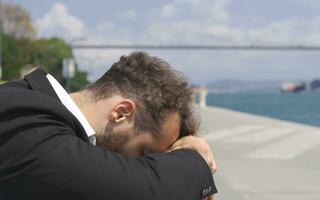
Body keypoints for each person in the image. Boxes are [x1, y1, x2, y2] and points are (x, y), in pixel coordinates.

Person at [0, 52, 217, 200]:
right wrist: (195, 158)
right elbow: (146, 192)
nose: (143, 163)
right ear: (121, 113)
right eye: (145, 152)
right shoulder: (23, 116)